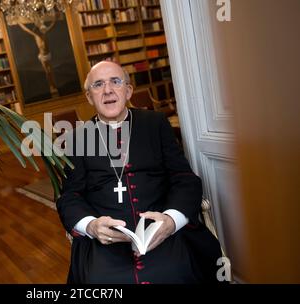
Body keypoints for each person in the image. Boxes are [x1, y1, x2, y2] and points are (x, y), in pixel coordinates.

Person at [56, 61, 223, 284]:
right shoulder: (78, 139)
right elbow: (69, 196)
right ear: (89, 97)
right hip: (106, 243)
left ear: (128, 90)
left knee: (179, 271)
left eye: (115, 82)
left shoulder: (155, 124)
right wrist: (92, 226)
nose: (107, 90)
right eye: (98, 85)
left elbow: (184, 178)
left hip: (162, 232)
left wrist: (170, 221)